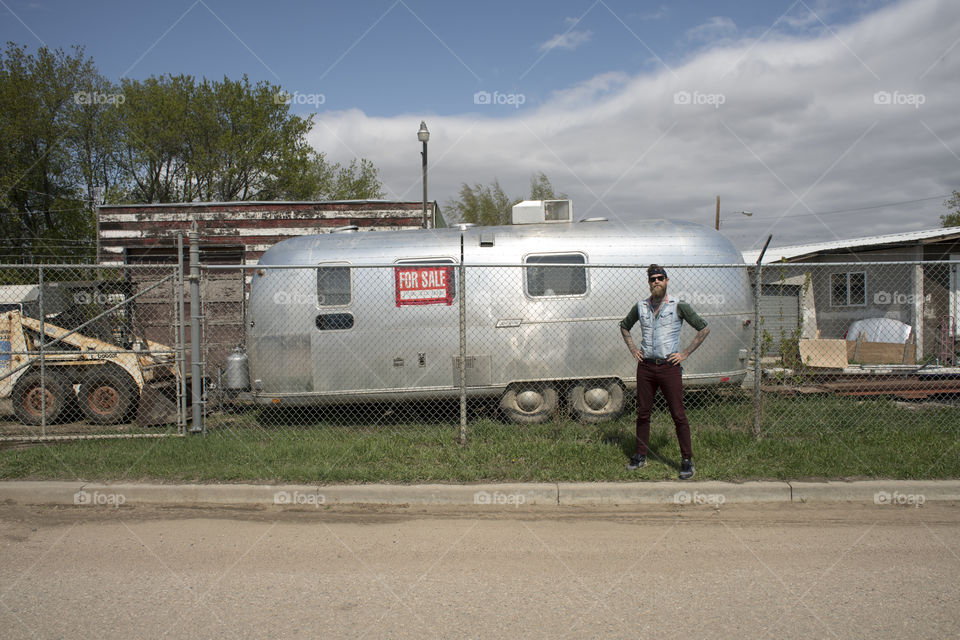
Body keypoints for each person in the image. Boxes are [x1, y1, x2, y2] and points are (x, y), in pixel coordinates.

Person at [619, 264, 710, 479]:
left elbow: (704, 328)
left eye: (660, 278)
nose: (656, 281)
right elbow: (624, 326)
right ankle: (640, 455)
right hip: (646, 367)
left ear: (667, 281)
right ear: (649, 283)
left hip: (669, 367)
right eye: (653, 279)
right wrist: (634, 349)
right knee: (643, 413)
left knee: (678, 414)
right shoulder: (640, 307)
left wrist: (685, 353)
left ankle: (686, 460)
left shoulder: (678, 306)